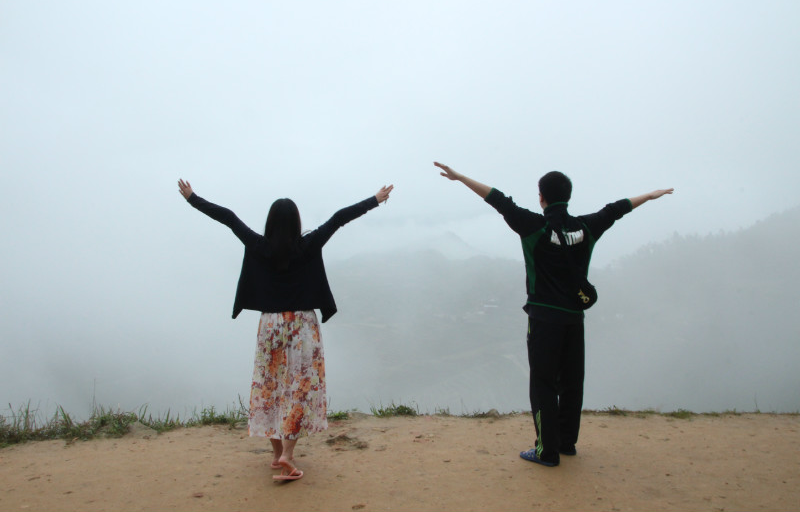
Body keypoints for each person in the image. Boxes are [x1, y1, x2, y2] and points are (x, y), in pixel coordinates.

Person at [433, 162, 672, 467]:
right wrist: (650, 195)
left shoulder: (534, 226)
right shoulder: (586, 227)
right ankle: (567, 442)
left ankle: (547, 451)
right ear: (567, 197)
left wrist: (461, 177)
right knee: (572, 382)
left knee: (543, 384)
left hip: (544, 320)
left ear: (541, 197)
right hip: (574, 319)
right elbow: (615, 209)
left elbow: (498, 200)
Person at [178, 178, 393, 481]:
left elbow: (227, 217)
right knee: (299, 388)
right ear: (296, 223)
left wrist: (192, 198)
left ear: (270, 222)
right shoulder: (308, 244)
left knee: (270, 387)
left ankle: (276, 453)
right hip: (302, 326)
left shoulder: (258, 245)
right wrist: (375, 199)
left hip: (270, 325)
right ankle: (287, 456)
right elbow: (339, 219)